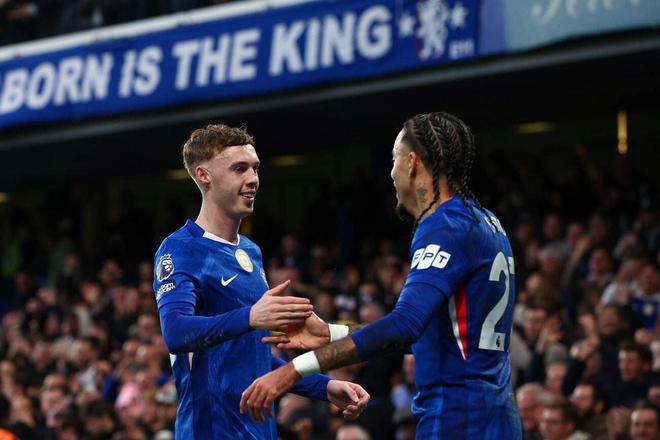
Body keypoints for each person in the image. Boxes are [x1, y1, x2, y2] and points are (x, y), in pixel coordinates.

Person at [241, 112, 522, 438]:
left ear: (412, 163)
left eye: (394, 159)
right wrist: (331, 333)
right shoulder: (484, 221)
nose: (390, 173)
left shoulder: (444, 225)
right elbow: (428, 337)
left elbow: (404, 325)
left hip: (459, 419)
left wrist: (293, 370)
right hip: (496, 416)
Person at [153, 124, 369, 439]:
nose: (253, 178)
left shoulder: (251, 252)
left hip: (259, 430)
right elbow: (175, 331)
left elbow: (251, 355)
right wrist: (251, 316)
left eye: (255, 168)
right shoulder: (180, 249)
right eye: (239, 169)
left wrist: (324, 386)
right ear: (204, 175)